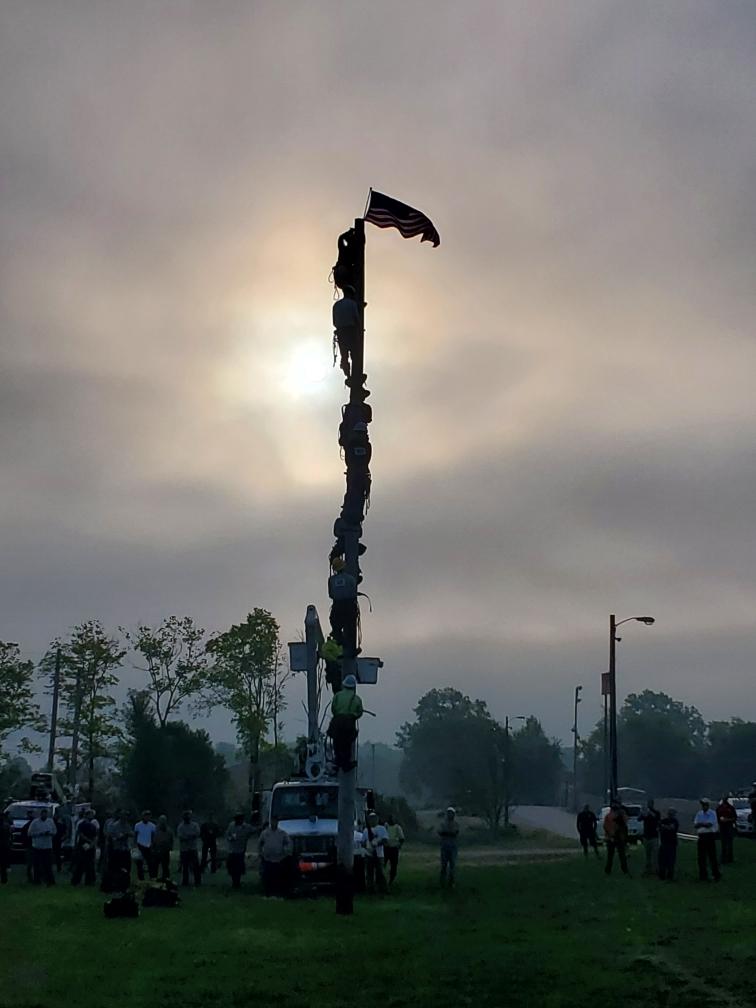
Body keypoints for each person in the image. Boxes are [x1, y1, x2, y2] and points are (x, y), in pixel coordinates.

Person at [328, 674, 363, 772]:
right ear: (354, 687)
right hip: (349, 723)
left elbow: (333, 709)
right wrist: (353, 716)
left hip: (337, 722)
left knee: (337, 743)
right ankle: (346, 764)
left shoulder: (337, 696)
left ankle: (337, 761)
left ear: (344, 685)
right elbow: (359, 712)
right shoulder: (356, 699)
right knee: (347, 744)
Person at [258, 816, 292, 897]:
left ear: (278, 822)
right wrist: (261, 854)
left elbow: (289, 843)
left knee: (278, 877)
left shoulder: (282, 833)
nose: (274, 823)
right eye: (273, 821)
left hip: (279, 859)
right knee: (267, 877)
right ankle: (268, 893)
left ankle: (278, 893)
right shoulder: (265, 833)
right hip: (268, 859)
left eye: (276, 821)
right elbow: (259, 843)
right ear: (270, 822)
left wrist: (286, 852)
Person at [332, 285, 360, 379]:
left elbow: (334, 322)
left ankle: (348, 375)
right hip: (351, 331)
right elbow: (356, 319)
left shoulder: (337, 305)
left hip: (341, 332)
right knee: (355, 354)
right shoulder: (352, 304)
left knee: (344, 356)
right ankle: (356, 376)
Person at [694, 798, 721, 882]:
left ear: (708, 805)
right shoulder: (699, 813)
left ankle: (715, 874)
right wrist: (702, 824)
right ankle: (703, 875)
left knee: (712, 856)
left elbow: (709, 824)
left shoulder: (712, 813)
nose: (703, 806)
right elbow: (695, 825)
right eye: (702, 805)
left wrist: (700, 824)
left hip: (709, 836)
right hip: (701, 836)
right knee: (701, 857)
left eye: (705, 804)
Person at [225, 813, 254, 889]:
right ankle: (234, 882)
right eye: (237, 819)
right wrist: (230, 838)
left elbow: (253, 830)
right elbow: (227, 834)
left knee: (238, 868)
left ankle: (237, 883)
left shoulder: (246, 827)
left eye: (240, 819)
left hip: (240, 851)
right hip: (232, 850)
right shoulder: (231, 826)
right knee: (231, 867)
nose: (239, 821)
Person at [28, 807, 57, 886]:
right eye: (43, 814)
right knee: (37, 865)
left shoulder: (50, 821)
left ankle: (50, 881)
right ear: (41, 814)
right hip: (37, 847)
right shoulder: (35, 822)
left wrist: (50, 833)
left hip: (47, 846)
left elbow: (55, 831)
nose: (44, 815)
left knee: (48, 865)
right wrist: (40, 833)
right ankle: (37, 881)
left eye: (46, 814)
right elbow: (30, 833)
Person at [362, 812, 388, 894]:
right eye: (371, 819)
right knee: (369, 873)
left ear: (377, 819)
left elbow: (385, 840)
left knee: (380, 873)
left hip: (379, 855)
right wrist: (368, 846)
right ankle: (370, 889)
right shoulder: (366, 830)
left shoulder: (382, 828)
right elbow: (362, 842)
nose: (373, 820)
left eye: (374, 818)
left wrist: (376, 843)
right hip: (369, 854)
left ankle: (383, 889)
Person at [71, 809, 98, 886]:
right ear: (86, 815)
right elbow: (80, 835)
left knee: (90, 864)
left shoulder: (93, 826)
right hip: (82, 845)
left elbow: (96, 836)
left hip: (90, 846)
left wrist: (92, 844)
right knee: (80, 864)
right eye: (89, 815)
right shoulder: (81, 824)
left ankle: (89, 881)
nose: (91, 816)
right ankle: (76, 881)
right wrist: (89, 841)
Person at [603, 803, 630, 876]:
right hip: (616, 837)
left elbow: (605, 827)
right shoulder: (615, 816)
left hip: (613, 837)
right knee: (621, 855)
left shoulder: (608, 816)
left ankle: (608, 870)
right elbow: (626, 823)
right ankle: (625, 870)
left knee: (611, 856)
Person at [176, 810, 202, 887]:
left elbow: (197, 834)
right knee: (185, 866)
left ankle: (197, 881)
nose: (187, 817)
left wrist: (187, 836)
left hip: (193, 849)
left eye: (188, 815)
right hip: (184, 850)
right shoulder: (180, 826)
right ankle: (185, 881)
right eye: (185, 816)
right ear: (183, 817)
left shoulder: (195, 825)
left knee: (195, 866)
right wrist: (190, 836)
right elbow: (180, 837)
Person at [107, 810, 133, 881]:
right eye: (125, 816)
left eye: (127, 816)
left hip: (126, 849)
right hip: (118, 850)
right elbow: (114, 837)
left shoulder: (127, 825)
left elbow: (131, 833)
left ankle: (125, 883)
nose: (126, 818)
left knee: (127, 868)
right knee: (118, 868)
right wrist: (124, 835)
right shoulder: (115, 825)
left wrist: (129, 834)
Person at [438, 807, 459, 888]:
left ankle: (451, 882)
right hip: (445, 847)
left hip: (453, 847)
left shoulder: (456, 823)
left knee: (452, 865)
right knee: (443, 865)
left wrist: (446, 833)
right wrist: (450, 833)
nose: (450, 815)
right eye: (449, 813)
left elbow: (455, 833)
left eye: (451, 813)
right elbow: (440, 832)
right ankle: (442, 882)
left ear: (454, 814)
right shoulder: (443, 823)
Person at [640, 799, 661, 875]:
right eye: (648, 803)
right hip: (646, 836)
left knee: (655, 855)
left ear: (653, 804)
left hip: (654, 836)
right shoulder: (645, 813)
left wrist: (650, 813)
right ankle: (647, 870)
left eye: (650, 803)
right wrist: (643, 813)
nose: (649, 805)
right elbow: (639, 819)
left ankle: (656, 870)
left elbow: (657, 820)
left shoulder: (656, 812)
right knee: (647, 855)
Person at [133, 810, 157, 880]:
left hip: (149, 846)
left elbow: (153, 837)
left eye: (148, 816)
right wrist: (135, 846)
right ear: (143, 816)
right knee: (139, 865)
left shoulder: (152, 826)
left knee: (150, 864)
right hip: (140, 845)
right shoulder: (137, 825)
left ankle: (151, 878)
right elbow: (135, 836)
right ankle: (141, 879)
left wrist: (153, 845)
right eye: (146, 816)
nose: (147, 817)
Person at [658, 808, 679, 881]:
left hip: (671, 843)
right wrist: (665, 827)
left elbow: (672, 828)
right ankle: (662, 875)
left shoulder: (675, 821)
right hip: (664, 843)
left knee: (670, 861)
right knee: (663, 860)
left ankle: (670, 876)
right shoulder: (664, 821)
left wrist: (664, 826)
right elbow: (659, 827)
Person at [716, 796, 737, 865]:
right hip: (722, 827)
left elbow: (734, 818)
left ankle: (729, 858)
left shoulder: (731, 808)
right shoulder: (719, 808)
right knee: (724, 843)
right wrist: (721, 821)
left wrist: (727, 820)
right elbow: (717, 818)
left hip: (729, 826)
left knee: (729, 843)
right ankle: (724, 858)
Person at [385, 815, 405, 884]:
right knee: (383, 864)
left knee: (394, 865)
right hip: (386, 848)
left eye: (393, 819)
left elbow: (402, 838)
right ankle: (383, 879)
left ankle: (391, 879)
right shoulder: (386, 826)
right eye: (390, 819)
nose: (391, 820)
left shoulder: (397, 827)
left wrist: (399, 845)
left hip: (394, 848)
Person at [153, 815, 174, 881]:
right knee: (155, 867)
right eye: (161, 820)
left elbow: (171, 840)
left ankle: (166, 880)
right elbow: (152, 839)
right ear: (159, 821)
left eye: (164, 820)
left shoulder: (169, 830)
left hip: (165, 851)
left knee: (165, 867)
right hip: (157, 851)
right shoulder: (154, 829)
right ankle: (154, 879)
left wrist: (170, 847)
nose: (163, 822)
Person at [353, 822, 366, 893]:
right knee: (359, 873)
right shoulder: (360, 835)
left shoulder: (344, 835)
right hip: (359, 856)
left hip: (350, 856)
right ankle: (360, 888)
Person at [0, 811, 11, 884]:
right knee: (3, 863)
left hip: (3, 845)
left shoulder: (5, 826)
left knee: (3, 863)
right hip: (5, 845)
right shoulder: (6, 826)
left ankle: (4, 879)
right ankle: (4, 879)